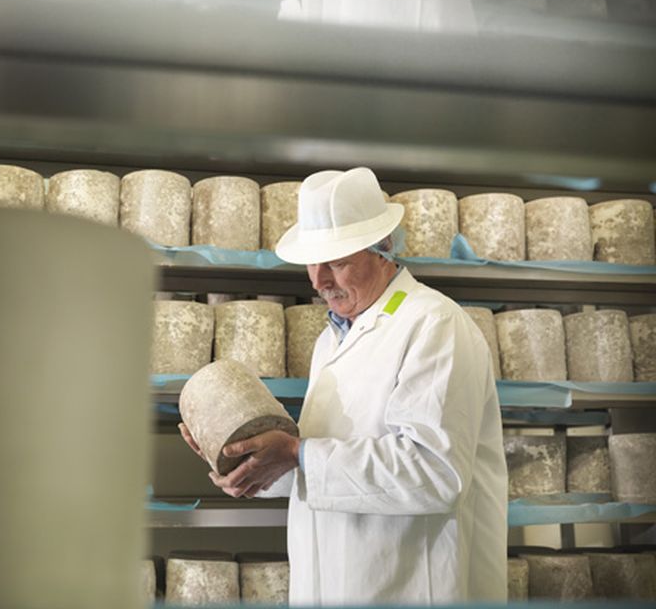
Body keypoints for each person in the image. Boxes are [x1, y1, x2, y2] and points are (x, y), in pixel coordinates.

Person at [180, 168, 507, 605]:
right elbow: (328, 469)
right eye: (313, 263)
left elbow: (435, 473)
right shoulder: (333, 337)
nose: (318, 281)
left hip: (409, 588)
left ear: (383, 248)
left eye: (336, 261)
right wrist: (252, 462)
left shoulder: (434, 324)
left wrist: (297, 453)